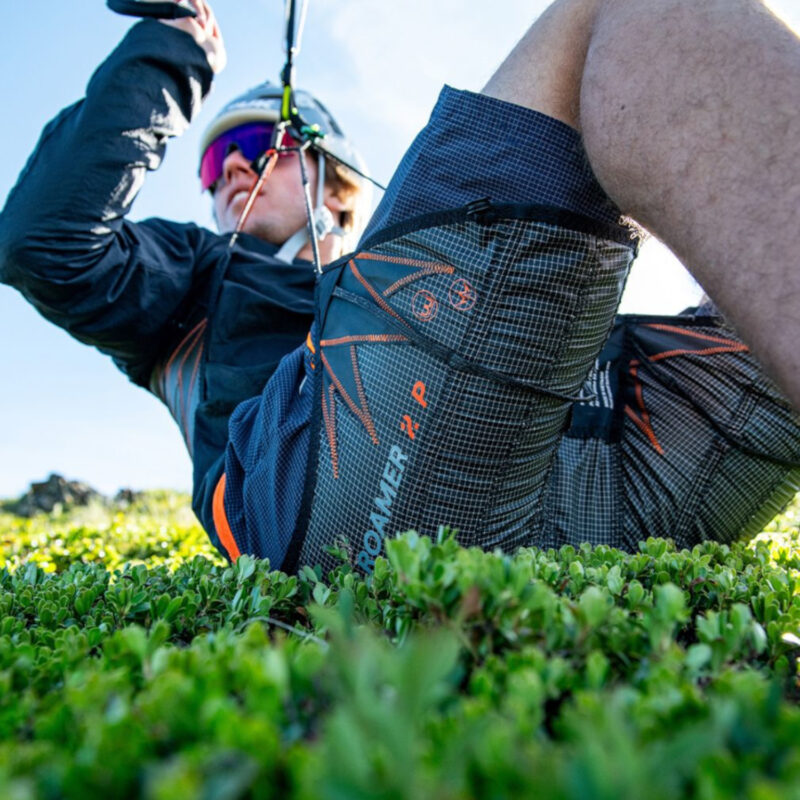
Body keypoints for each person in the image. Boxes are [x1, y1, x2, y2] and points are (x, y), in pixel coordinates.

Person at [1, 0, 798, 574]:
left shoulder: (444, 275)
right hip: (353, 512)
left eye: (261, 142)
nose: (234, 169)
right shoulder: (189, 283)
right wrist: (172, 50)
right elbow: (42, 242)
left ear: (336, 183)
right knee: (636, 13)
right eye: (215, 165)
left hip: (619, 470)